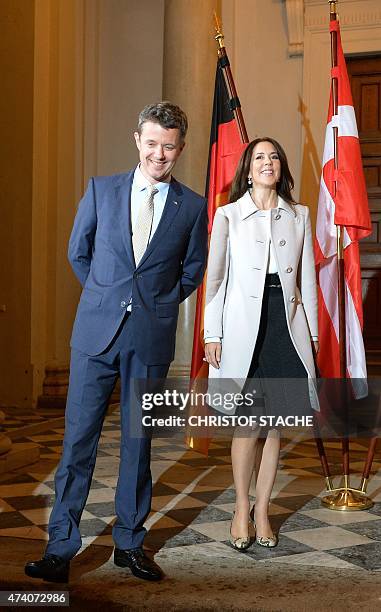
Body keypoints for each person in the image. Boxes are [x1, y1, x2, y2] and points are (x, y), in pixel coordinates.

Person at [25, 102, 208, 582]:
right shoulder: (101, 191)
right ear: (137, 141)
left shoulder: (191, 206)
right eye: (151, 143)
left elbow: (191, 270)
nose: (159, 154)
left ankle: (130, 544)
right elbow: (77, 250)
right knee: (77, 442)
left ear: (180, 149)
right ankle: (61, 548)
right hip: (95, 335)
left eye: (168, 147)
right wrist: (107, 296)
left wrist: (153, 304)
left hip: (149, 339)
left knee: (137, 442)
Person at [203, 137, 318, 550]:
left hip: (285, 327)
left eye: (273, 157)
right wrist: (211, 333)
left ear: (281, 168)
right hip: (241, 327)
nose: (267, 163)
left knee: (274, 427)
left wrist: (314, 337)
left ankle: (263, 510)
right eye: (258, 158)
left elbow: (308, 282)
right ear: (247, 170)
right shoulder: (229, 214)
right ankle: (239, 509)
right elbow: (213, 282)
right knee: (248, 423)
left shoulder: (299, 215)